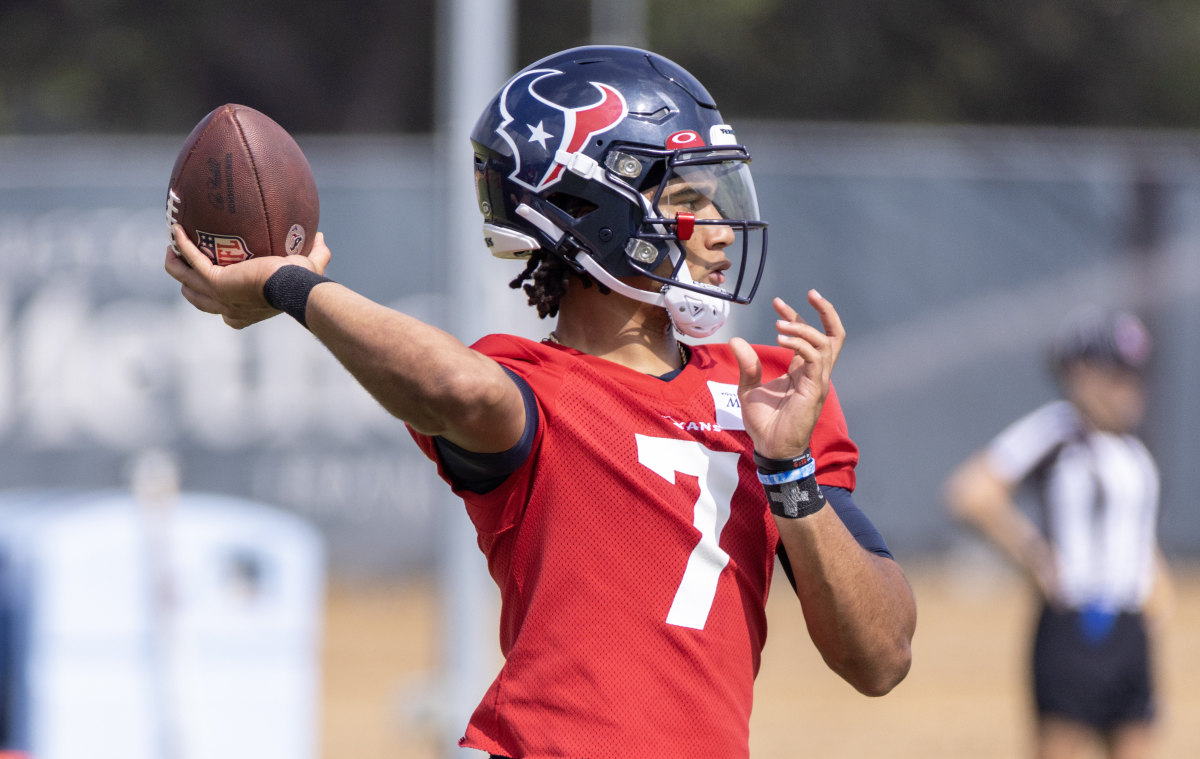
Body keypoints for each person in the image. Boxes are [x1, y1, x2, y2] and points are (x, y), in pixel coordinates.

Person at [166, 45, 915, 758]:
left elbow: (880, 657)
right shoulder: (530, 387)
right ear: (593, 208)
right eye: (689, 198)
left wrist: (789, 471)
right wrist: (288, 284)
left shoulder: (769, 388)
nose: (719, 233)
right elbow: (456, 385)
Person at [944, 307, 1171, 759]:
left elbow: (1134, 532)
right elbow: (970, 491)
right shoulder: (1059, 431)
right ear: (1081, 373)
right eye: (1117, 375)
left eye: (1136, 376)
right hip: (1076, 628)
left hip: (1131, 630)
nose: (1130, 389)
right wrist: (1034, 554)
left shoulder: (1133, 446)